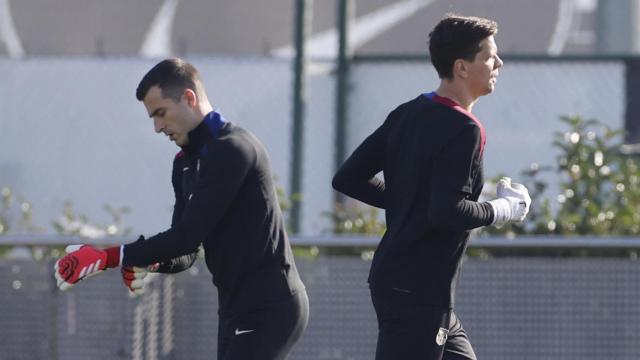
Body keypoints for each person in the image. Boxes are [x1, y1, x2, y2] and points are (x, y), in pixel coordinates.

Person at [53, 58, 309, 360]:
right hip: (234, 309)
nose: (157, 127)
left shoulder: (233, 148)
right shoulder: (184, 163)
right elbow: (185, 252)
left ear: (189, 98)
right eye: (152, 117)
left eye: (161, 113)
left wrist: (107, 257)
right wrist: (151, 263)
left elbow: (186, 237)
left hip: (270, 306)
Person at [332, 14, 531, 360]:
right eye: (488, 55)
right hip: (418, 290)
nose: (499, 62)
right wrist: (503, 211)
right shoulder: (465, 128)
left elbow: (348, 177)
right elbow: (447, 210)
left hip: (410, 286)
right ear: (462, 67)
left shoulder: (407, 113)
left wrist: (409, 201)